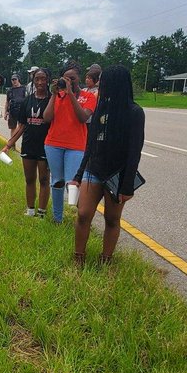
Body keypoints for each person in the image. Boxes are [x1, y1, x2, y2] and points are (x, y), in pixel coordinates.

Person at [74, 65, 145, 266]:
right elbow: (90, 145)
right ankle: (78, 257)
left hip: (117, 175)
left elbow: (134, 152)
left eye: (104, 82)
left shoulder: (134, 113)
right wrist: (79, 174)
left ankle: (106, 260)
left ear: (116, 85)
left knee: (112, 220)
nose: (100, 85)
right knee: (83, 214)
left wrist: (127, 185)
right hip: (93, 171)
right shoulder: (100, 109)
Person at [42, 61, 96, 223]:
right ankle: (57, 218)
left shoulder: (88, 97)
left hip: (76, 146)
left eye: (72, 78)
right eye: (66, 78)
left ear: (79, 78)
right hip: (53, 143)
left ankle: (83, 218)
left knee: (72, 182)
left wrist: (71, 94)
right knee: (57, 181)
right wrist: (54, 94)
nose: (69, 81)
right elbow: (46, 118)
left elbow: (83, 117)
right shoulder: (58, 96)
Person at [1, 68, 51, 217]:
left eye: (43, 78)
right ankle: (30, 210)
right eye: (37, 79)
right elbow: (21, 126)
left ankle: (41, 212)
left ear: (48, 79)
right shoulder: (27, 101)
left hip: (46, 146)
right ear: (33, 81)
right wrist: (8, 145)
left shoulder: (52, 99)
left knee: (44, 180)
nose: (40, 82)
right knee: (29, 179)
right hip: (28, 144)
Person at [3, 73, 27, 141]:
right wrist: (5, 112)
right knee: (12, 128)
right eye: (12, 79)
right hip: (12, 112)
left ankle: (23, 144)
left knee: (22, 128)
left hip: (22, 112)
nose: (14, 81)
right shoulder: (9, 91)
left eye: (15, 79)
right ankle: (13, 144)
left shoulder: (24, 89)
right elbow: (7, 102)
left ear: (18, 79)